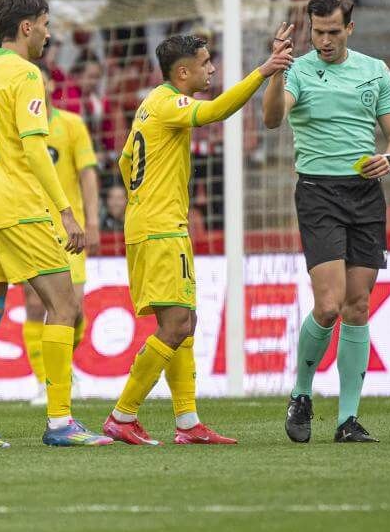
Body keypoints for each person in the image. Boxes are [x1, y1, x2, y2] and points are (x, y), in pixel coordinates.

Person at [102, 28, 294, 446]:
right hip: (159, 229)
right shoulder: (167, 103)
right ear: (183, 71)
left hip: (155, 224)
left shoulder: (150, 105)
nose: (212, 69)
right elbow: (216, 112)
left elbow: (124, 160)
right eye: (206, 63)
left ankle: (187, 423)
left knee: (185, 322)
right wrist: (263, 71)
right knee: (174, 325)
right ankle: (123, 414)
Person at [0, 0, 111, 448]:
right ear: (27, 27)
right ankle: (61, 422)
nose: (48, 32)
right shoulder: (26, 74)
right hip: (19, 209)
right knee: (64, 307)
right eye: (45, 23)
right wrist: (66, 212)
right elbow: (33, 149)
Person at [262, 0, 390, 444]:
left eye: (331, 32)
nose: (323, 40)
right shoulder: (299, 71)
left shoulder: (374, 71)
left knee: (358, 306)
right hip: (319, 192)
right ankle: (302, 393)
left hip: (365, 193)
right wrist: (275, 72)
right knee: (328, 305)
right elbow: (271, 120)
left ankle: (348, 420)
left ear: (350, 27)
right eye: (316, 31)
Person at [20, 67, 100, 407]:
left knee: (74, 309)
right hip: (31, 225)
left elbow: (87, 174)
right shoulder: (19, 126)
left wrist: (93, 220)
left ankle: (62, 368)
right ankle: (45, 382)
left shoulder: (71, 124)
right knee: (36, 306)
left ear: (52, 85)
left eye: (44, 80)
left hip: (71, 230)